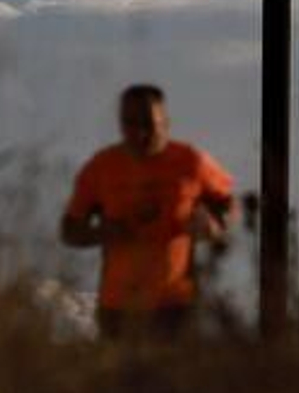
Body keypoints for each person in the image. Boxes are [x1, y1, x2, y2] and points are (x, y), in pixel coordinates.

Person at [61, 84, 237, 339]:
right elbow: (69, 230)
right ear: (121, 125)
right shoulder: (102, 167)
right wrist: (100, 232)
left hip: (176, 306)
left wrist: (215, 227)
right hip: (118, 309)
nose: (140, 133)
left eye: (149, 123)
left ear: (166, 123)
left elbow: (227, 202)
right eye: (130, 123)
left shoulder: (191, 162)